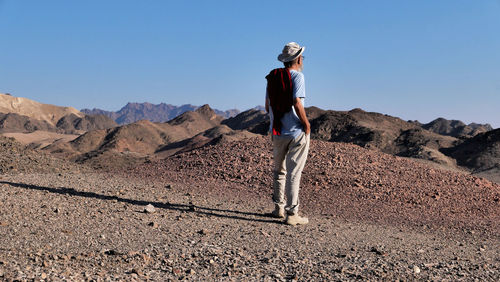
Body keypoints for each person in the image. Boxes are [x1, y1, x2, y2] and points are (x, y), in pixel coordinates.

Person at [265, 42, 310, 225]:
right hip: (295, 132)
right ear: (298, 59)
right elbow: (297, 102)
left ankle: (278, 208)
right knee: (294, 173)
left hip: (277, 131)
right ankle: (292, 214)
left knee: (279, 171)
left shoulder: (273, 78)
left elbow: (267, 105)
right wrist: (306, 125)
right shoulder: (298, 77)